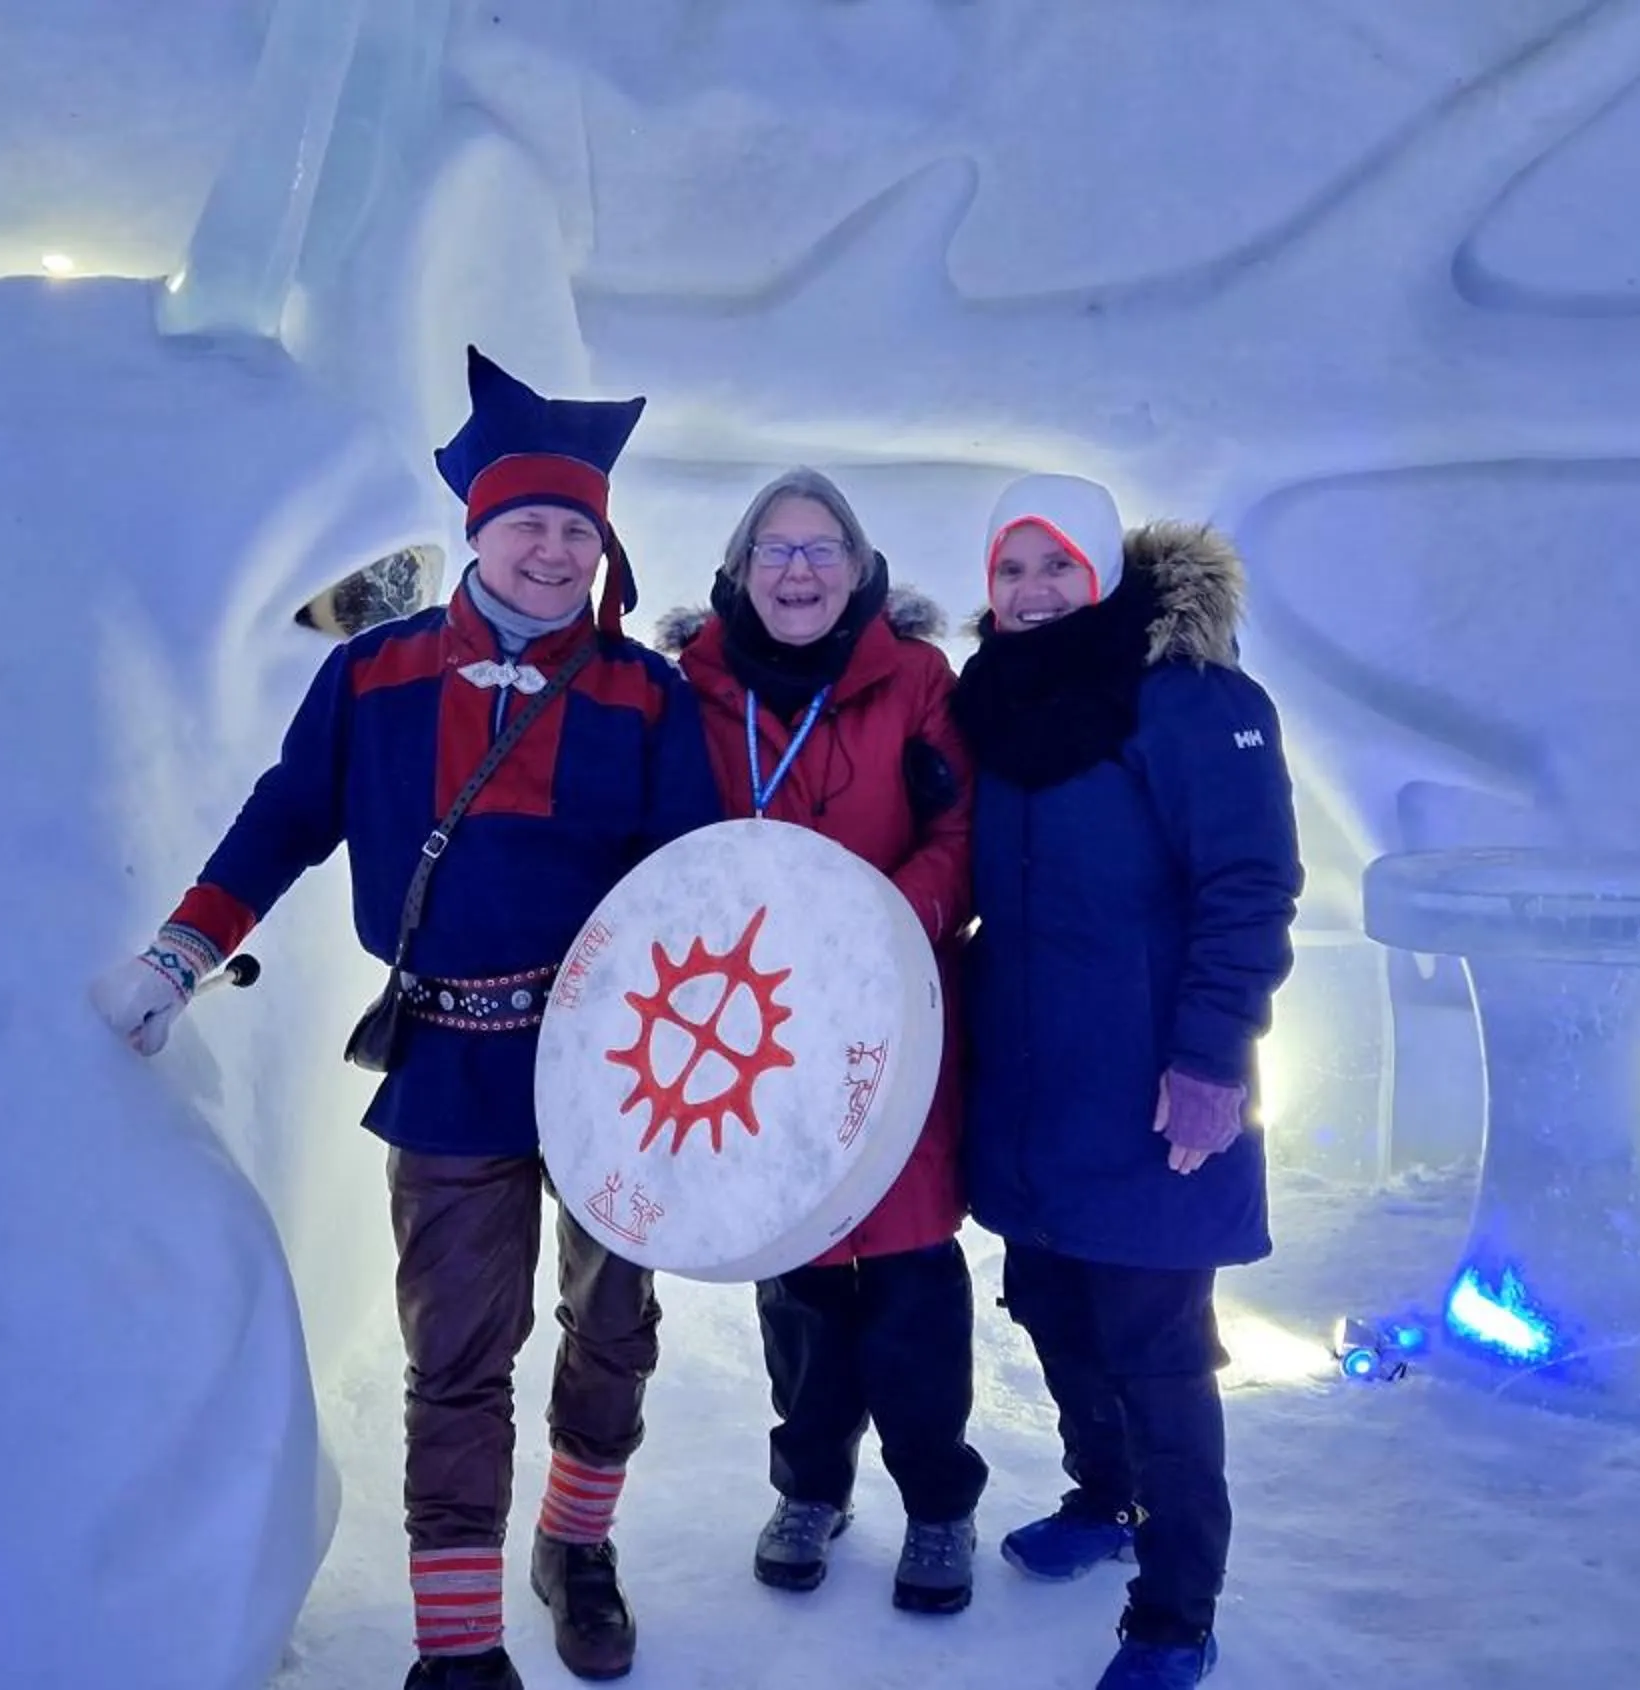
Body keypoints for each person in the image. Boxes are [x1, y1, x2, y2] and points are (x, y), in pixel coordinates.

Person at [92, 348, 725, 1690]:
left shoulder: (643, 692)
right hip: (447, 1061)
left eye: (575, 528)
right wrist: (180, 952)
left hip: (613, 1065)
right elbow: (283, 823)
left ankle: (577, 1545)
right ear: (477, 534)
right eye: (528, 524)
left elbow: (698, 884)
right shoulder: (374, 677)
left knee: (614, 1325)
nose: (553, 551)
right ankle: (458, 1641)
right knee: (456, 1352)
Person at [948, 473, 1302, 1690]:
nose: (1034, 592)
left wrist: (1212, 1060)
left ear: (1103, 571)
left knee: (1156, 1347)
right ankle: (1102, 1498)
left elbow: (1248, 885)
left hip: (1154, 1094)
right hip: (1035, 1089)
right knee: (1050, 1304)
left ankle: (1174, 1609)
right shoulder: (991, 700)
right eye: (1010, 569)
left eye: (1057, 566)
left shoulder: (1196, 702)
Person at [652, 468, 990, 1615]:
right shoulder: (687, 691)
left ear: (858, 569)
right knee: (796, 1266)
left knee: (903, 1270)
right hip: (754, 1027)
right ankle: (811, 1486)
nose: (797, 570)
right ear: (739, 573)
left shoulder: (916, 683)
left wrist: (895, 925)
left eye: (821, 549)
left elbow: (959, 825)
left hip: (891, 1017)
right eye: (775, 551)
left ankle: (938, 1503)